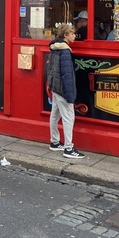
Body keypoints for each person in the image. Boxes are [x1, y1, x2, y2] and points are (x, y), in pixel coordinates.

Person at [46, 23, 85, 159]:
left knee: (55, 115)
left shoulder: (54, 48)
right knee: (69, 117)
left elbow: (51, 69)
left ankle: (55, 142)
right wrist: (70, 95)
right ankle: (69, 148)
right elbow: (67, 74)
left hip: (55, 87)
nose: (75, 36)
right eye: (72, 33)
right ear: (65, 35)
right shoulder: (65, 51)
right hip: (62, 88)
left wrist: (51, 85)